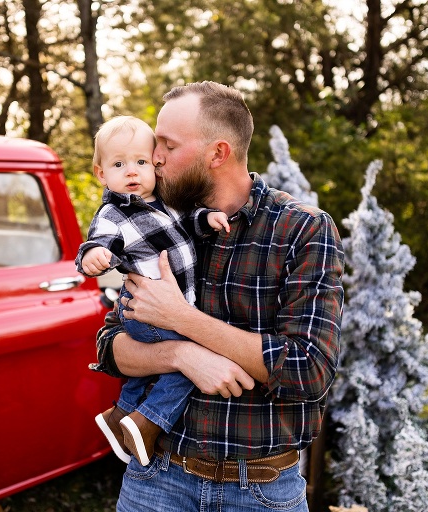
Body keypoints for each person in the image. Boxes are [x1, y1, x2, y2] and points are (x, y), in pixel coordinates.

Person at [92, 82, 345, 511]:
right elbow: (111, 347)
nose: (154, 157)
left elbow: (309, 371)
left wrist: (182, 320)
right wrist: (180, 357)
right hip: (156, 479)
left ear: (217, 153)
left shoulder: (302, 230)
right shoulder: (154, 222)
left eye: (168, 146)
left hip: (262, 491)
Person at [75, 115, 230, 467]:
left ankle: (121, 415)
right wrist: (94, 257)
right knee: (192, 361)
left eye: (141, 162)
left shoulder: (165, 201)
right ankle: (148, 422)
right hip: (147, 309)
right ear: (102, 174)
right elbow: (95, 244)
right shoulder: (113, 214)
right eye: (119, 164)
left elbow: (187, 222)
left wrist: (206, 219)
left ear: (155, 166)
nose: (132, 172)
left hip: (173, 304)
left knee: (167, 362)